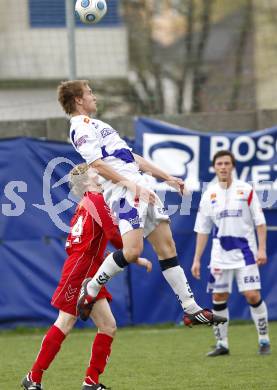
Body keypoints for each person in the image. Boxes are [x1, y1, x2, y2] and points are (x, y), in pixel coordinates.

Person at [57, 79, 227, 328]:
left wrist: (167, 178)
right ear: (79, 100)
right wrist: (131, 186)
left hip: (140, 186)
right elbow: (97, 165)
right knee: (133, 251)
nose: (94, 96)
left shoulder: (97, 124)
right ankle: (91, 287)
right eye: (89, 93)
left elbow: (131, 157)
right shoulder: (79, 128)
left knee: (168, 248)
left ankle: (191, 309)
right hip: (123, 191)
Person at [21, 163, 152, 390]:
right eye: (95, 172)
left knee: (108, 325)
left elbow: (86, 242)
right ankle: (33, 378)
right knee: (65, 321)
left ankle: (90, 382)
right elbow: (112, 234)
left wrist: (123, 255)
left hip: (89, 268)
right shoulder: (96, 199)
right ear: (87, 182)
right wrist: (133, 254)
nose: (100, 173)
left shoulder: (86, 202)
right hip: (81, 268)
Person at [191, 150, 271, 356]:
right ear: (214, 167)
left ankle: (264, 340)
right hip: (220, 256)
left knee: (252, 295)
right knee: (219, 296)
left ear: (233, 166)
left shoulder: (246, 190)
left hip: (246, 253)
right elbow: (203, 229)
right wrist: (197, 259)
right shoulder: (209, 193)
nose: (223, 167)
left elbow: (260, 222)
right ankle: (222, 344)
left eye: (227, 163)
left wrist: (262, 249)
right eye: (220, 163)